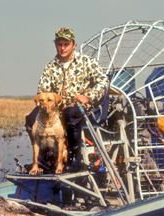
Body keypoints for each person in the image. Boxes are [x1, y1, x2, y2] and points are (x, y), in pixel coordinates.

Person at [25, 27, 110, 172]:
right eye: (59, 44)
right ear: (55, 45)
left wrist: (88, 97)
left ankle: (75, 158)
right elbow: (42, 92)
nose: (62, 48)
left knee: (71, 113)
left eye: (66, 44)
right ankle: (45, 159)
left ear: (74, 44)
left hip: (81, 107)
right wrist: (47, 106)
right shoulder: (50, 67)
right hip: (56, 108)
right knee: (31, 119)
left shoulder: (86, 62)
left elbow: (103, 82)